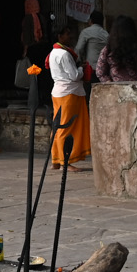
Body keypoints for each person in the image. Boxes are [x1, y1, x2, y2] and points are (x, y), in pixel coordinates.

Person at [47, 23, 90, 166]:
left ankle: (56, 159)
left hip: (59, 92)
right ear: (59, 36)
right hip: (69, 93)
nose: (70, 36)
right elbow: (74, 76)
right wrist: (81, 69)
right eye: (66, 34)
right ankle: (65, 162)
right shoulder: (64, 54)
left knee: (58, 126)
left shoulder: (54, 52)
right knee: (66, 126)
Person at [96, 14, 137, 82]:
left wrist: (112, 87)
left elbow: (100, 73)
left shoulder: (108, 50)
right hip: (135, 89)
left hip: (114, 90)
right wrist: (136, 87)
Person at [74, 10, 109, 80]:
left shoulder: (86, 32)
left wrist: (77, 63)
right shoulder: (107, 34)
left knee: (89, 90)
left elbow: (79, 49)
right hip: (104, 70)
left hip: (91, 69)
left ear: (91, 21)